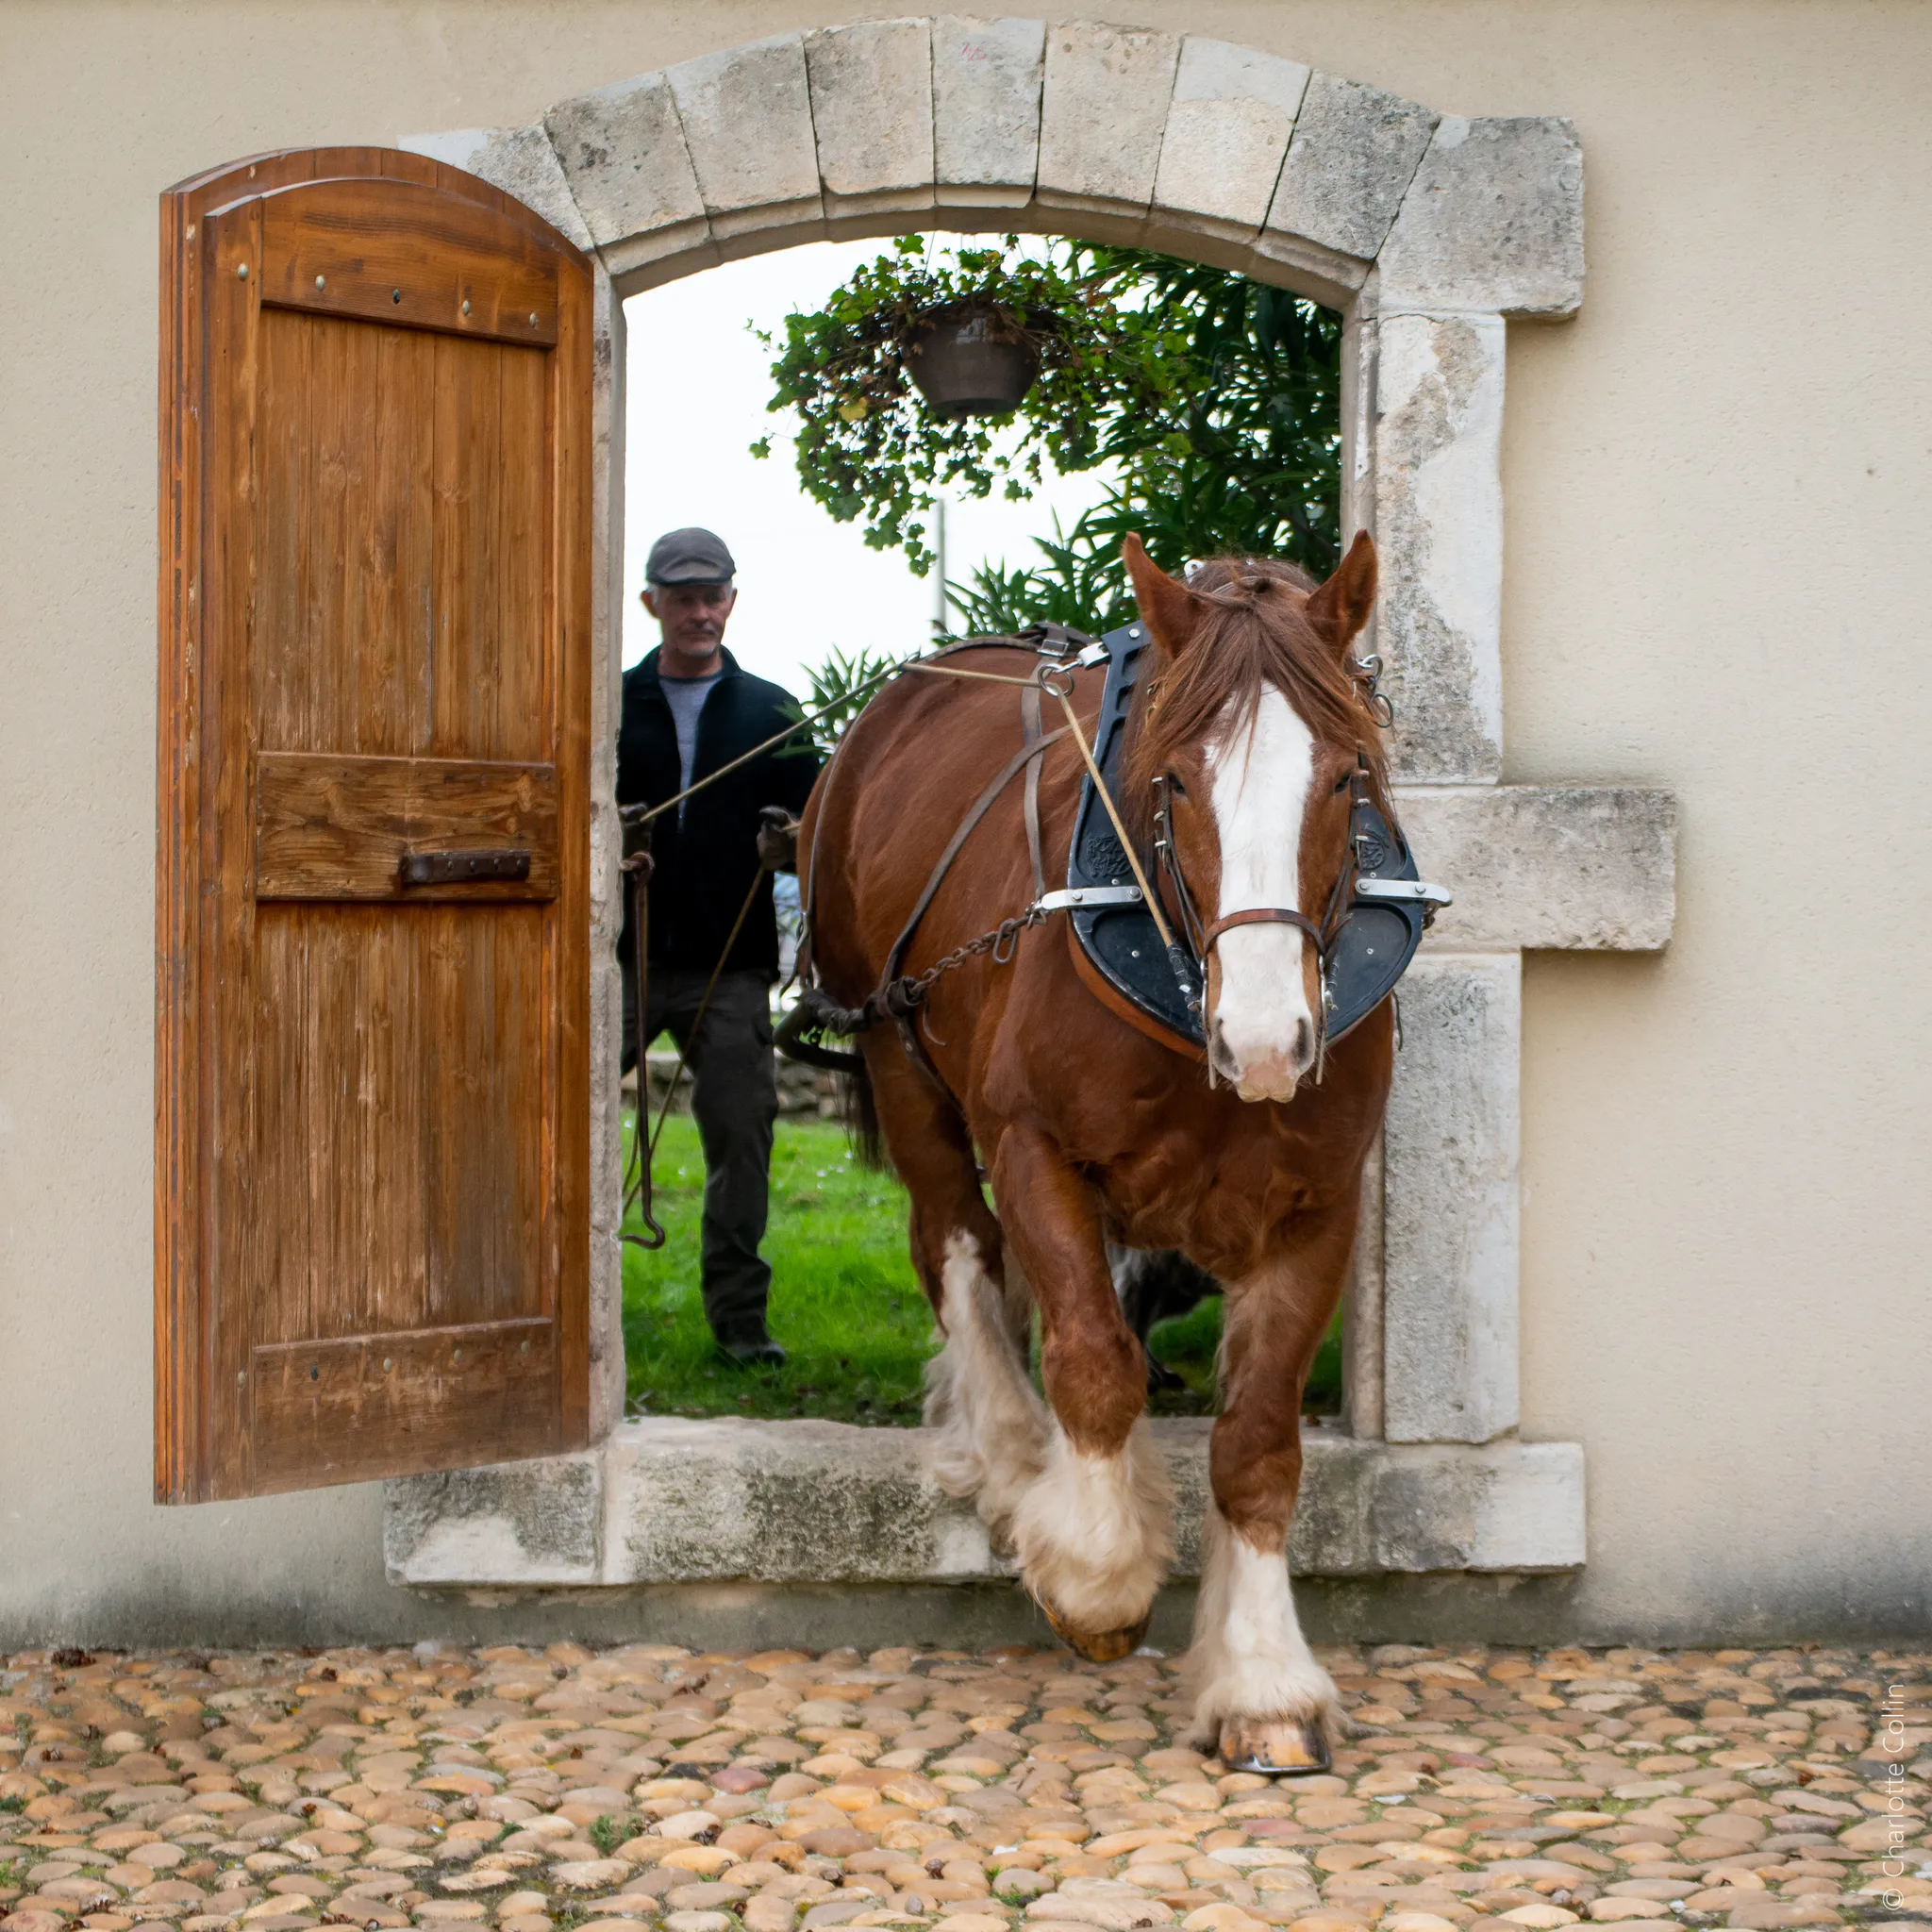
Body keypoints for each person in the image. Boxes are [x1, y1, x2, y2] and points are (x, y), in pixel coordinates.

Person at [618, 527, 818, 1364]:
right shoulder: (607, 704)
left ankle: (740, 1325)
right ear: (651, 603)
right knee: (554, 1122)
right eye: (683, 598)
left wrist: (789, 846)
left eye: (712, 597)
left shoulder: (775, 711)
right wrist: (612, 839)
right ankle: (555, 1306)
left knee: (743, 1134)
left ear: (732, 601)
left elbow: (821, 833)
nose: (699, 613)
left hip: (732, 970)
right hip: (615, 963)